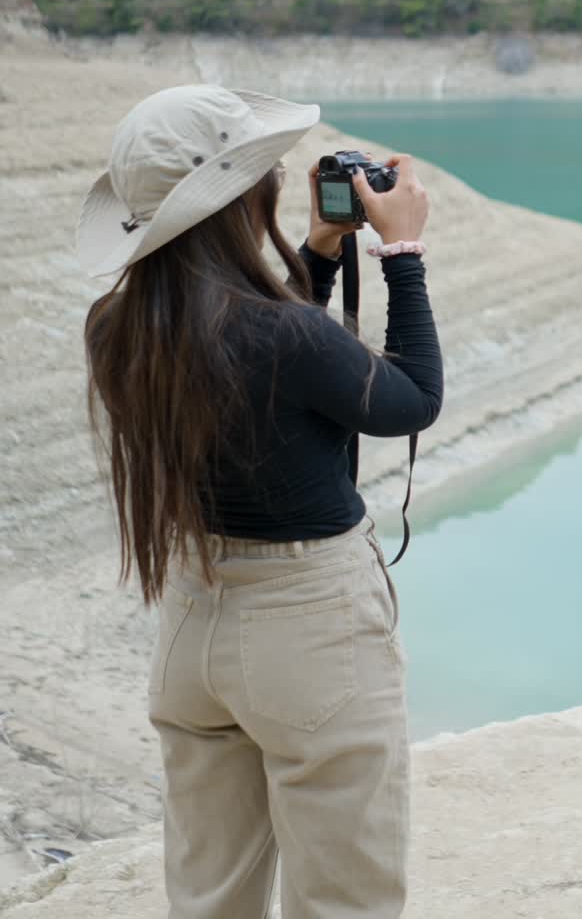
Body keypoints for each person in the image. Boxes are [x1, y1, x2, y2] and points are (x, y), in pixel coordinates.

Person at [77, 83, 443, 919]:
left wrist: (315, 255)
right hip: (309, 630)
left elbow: (247, 352)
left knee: (210, 897)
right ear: (244, 199)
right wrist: (403, 252)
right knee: (342, 898)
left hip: (192, 621)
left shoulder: (118, 328)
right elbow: (412, 399)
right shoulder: (287, 338)